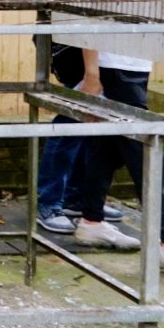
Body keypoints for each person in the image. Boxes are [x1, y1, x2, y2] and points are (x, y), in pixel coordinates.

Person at [55, 45, 164, 275]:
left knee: (107, 148)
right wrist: (92, 74)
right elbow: (92, 17)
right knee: (144, 153)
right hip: (113, 66)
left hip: (133, 65)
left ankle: (91, 220)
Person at [35, 41, 124, 233]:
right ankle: (49, 202)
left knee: (86, 127)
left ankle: (76, 198)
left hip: (99, 57)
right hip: (79, 53)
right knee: (69, 126)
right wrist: (91, 73)